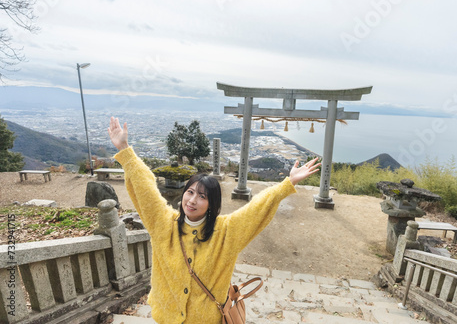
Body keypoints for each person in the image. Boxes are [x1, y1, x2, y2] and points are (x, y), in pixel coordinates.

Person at [108, 116, 320, 323]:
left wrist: (287, 183)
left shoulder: (226, 231)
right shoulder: (164, 224)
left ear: (212, 204)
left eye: (202, 196)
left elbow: (256, 209)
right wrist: (125, 151)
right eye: (190, 192)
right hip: (167, 317)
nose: (192, 201)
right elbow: (147, 192)